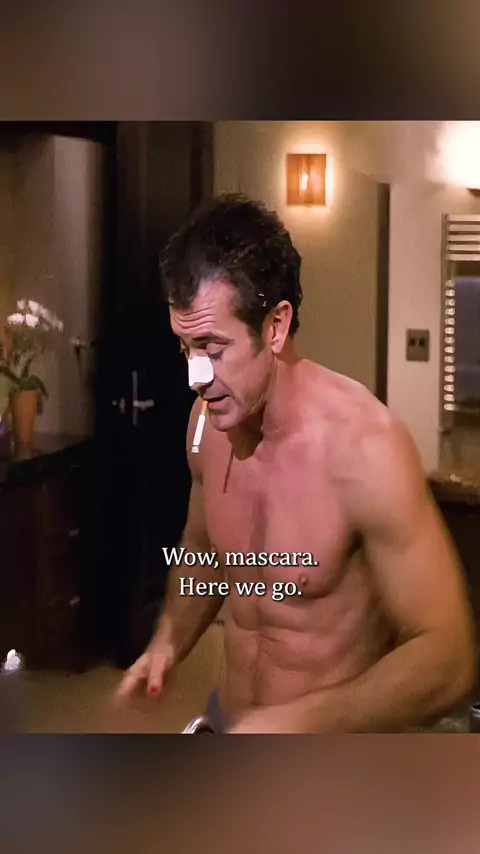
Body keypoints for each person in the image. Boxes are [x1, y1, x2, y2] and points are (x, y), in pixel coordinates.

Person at [116, 194, 477, 732]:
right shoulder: (207, 425)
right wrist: (168, 640)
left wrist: (296, 722)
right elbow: (204, 550)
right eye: (185, 347)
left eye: (212, 349)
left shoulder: (365, 448)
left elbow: (449, 658)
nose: (195, 377)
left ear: (276, 326)